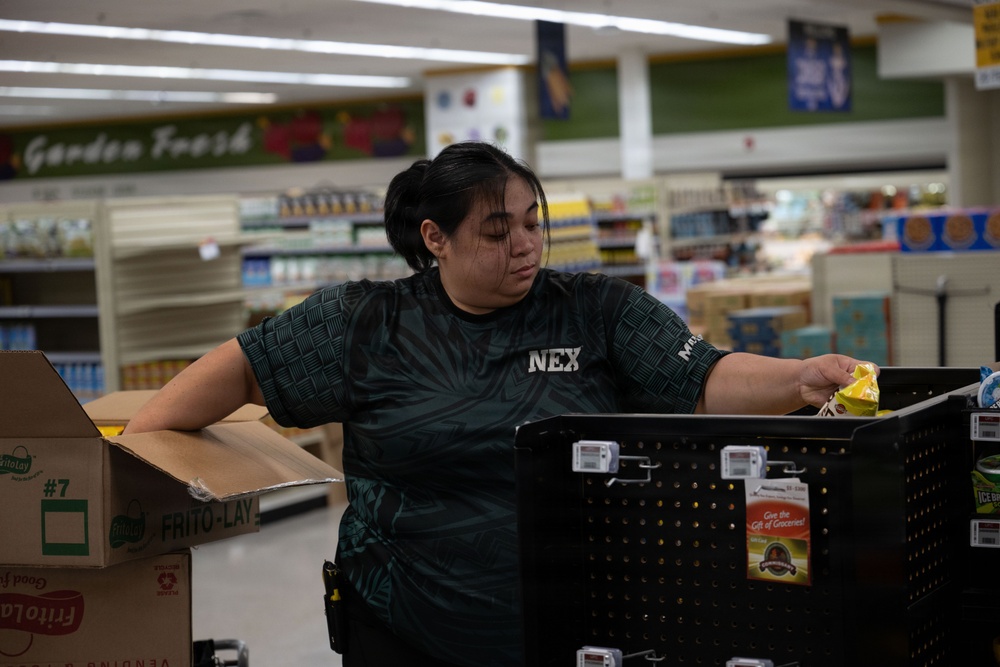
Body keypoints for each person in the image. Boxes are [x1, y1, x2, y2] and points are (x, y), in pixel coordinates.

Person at [123, 140, 873, 666]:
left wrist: (798, 377)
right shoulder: (364, 323)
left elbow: (704, 377)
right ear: (435, 238)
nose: (524, 244)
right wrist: (135, 455)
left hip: (572, 618)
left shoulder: (596, 310)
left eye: (530, 222)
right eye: (496, 229)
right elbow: (243, 369)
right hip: (400, 623)